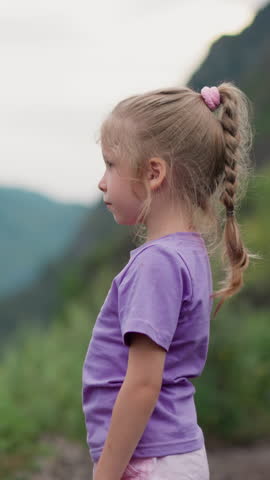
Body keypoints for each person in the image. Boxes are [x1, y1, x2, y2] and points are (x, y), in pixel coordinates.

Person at [82, 82, 259, 479]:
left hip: (150, 461)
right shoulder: (186, 252)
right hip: (169, 457)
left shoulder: (157, 263)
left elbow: (144, 383)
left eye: (111, 164)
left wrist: (105, 473)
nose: (102, 181)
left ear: (154, 173)